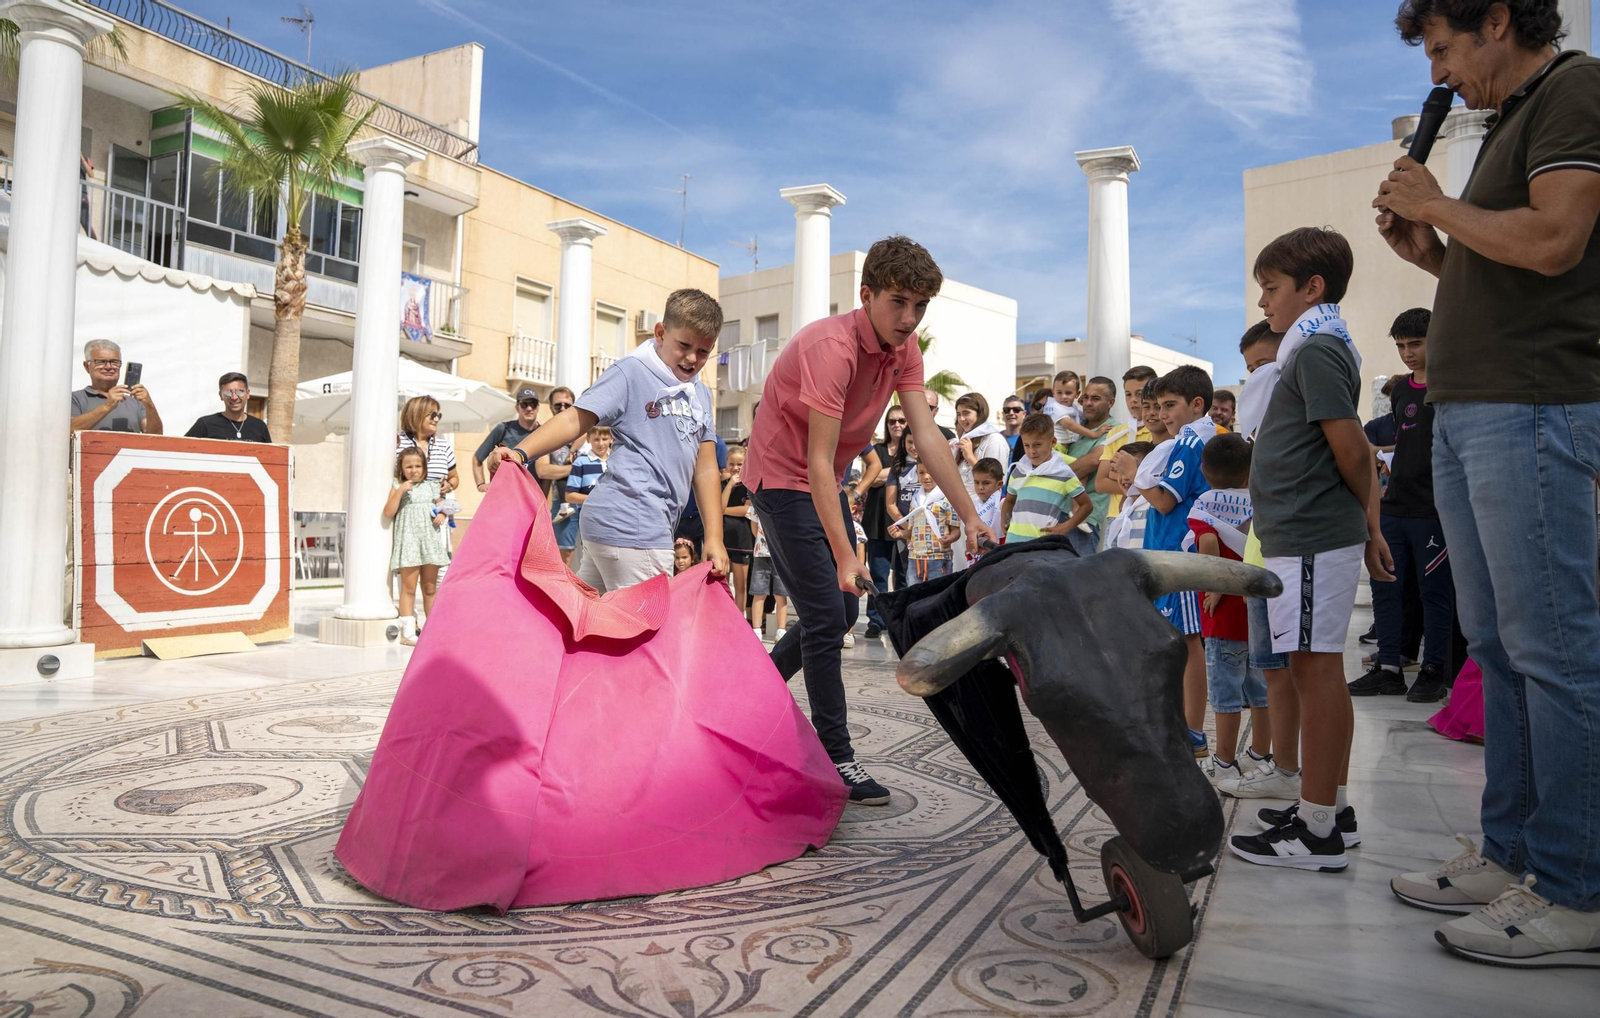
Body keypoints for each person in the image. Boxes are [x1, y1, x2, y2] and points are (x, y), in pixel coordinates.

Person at [1375, 0, 1600, 963]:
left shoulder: (1574, 91)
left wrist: (1437, 206)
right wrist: (1432, 253)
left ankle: (1577, 889)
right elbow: (1508, 268)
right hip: (1475, 412)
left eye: (1443, 49)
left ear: (1498, 18)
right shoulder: (1509, 121)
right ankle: (1511, 855)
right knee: (1501, 648)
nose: (1439, 74)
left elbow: (1555, 243)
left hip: (1532, 404)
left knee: (1556, 649)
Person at [744, 236, 996, 804]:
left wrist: (970, 516)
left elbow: (926, 435)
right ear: (867, 295)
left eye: (920, 306)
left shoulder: (905, 350)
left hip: (824, 479)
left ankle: (752, 693)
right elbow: (814, 460)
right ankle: (838, 757)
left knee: (842, 610)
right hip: (781, 478)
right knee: (826, 618)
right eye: (898, 302)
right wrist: (846, 554)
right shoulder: (831, 347)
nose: (909, 319)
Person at [1227, 226, 1389, 874]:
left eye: (1272, 288)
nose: (1263, 302)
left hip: (1313, 535)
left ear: (1312, 288)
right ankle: (1330, 808)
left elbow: (1353, 449)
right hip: (1303, 536)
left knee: (1315, 672)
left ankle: (1317, 829)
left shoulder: (1317, 348)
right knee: (1313, 670)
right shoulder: (1312, 346)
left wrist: (1370, 527)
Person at [497, 289, 729, 592]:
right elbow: (575, 419)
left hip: (625, 526)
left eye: (703, 351)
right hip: (634, 524)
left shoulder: (699, 393)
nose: (692, 358)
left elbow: (706, 467)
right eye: (684, 345)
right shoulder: (633, 371)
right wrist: (520, 452)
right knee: (647, 622)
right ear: (660, 333)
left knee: (589, 620)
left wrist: (714, 537)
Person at [1217, 320, 1308, 803]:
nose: (1257, 377)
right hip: (1259, 561)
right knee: (1271, 670)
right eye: (1250, 369)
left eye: (1265, 365)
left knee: (1297, 672)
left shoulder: (1300, 424)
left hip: (1287, 560)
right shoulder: (1261, 433)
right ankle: (1280, 763)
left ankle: (1294, 770)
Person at [1348, 308, 1457, 704]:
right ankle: (1389, 669)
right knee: (1386, 588)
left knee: (1434, 594)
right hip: (1395, 507)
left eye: (1415, 344)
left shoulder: (1450, 386)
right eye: (1400, 346)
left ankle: (1434, 670)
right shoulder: (1401, 392)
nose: (1408, 353)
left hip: (1434, 511)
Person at [1134, 365, 1218, 764]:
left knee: (1188, 643)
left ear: (1196, 404)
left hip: (1179, 555)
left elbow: (1166, 501)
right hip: (1168, 553)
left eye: (1170, 405)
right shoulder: (1192, 440)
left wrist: (1137, 476)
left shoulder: (1189, 443)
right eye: (1158, 406)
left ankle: (1193, 731)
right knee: (1174, 642)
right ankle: (1177, 724)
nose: (1162, 414)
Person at [1187, 433, 1272, 782]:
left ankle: (1224, 760)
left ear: (1204, 470)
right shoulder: (1259, 500)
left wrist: (1216, 587)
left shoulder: (1204, 505)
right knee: (1261, 690)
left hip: (1222, 616)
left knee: (1226, 692)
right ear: (1250, 472)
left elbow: (1207, 540)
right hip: (1258, 608)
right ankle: (1261, 752)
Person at [386, 447, 449, 644]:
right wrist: (400, 491)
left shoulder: (432, 486)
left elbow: (443, 507)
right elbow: (388, 512)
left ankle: (433, 631)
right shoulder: (397, 485)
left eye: (418, 466)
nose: (414, 470)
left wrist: (442, 514)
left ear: (424, 467)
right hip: (409, 543)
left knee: (430, 588)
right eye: (409, 466)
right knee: (409, 588)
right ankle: (407, 633)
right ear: (401, 468)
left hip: (429, 542)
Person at [1000, 412, 1092, 546]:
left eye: (1037, 445)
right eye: (1027, 445)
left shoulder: (1064, 473)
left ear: (1053, 442)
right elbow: (1009, 501)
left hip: (1043, 546)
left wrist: (1065, 527)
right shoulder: (1019, 470)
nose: (1032, 451)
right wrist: (1005, 520)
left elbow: (1087, 506)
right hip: (1012, 544)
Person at [860, 408, 906, 640]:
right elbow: (869, 479)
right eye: (892, 421)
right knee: (877, 575)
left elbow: (878, 476)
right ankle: (876, 620)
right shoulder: (877, 450)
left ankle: (899, 619)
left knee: (903, 576)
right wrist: (897, 471)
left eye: (901, 420)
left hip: (903, 522)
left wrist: (881, 473)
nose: (897, 425)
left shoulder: (912, 450)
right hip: (877, 521)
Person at [1061, 375, 1121, 546]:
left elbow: (1093, 461)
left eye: (1095, 399)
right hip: (1059, 509)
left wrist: (1051, 477)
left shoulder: (1115, 430)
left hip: (1085, 518)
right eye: (1085, 397)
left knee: (1079, 564)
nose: (1087, 403)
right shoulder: (1076, 425)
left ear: (1110, 402)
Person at [70, 340, 162, 434]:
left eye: (114, 362)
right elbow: (69, 430)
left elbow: (156, 437)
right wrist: (107, 406)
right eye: (101, 362)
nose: (108, 367)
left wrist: (150, 405)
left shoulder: (136, 402)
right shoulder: (74, 399)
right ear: (87, 366)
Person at [896, 460, 959, 582]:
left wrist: (950, 538)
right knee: (914, 592)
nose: (926, 477)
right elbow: (911, 531)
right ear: (916, 473)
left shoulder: (947, 498)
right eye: (921, 472)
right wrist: (900, 533)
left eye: (931, 472)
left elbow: (955, 530)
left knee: (938, 592)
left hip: (938, 558)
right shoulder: (915, 499)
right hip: (915, 558)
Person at [474, 388, 541, 493]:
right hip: (506, 493)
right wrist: (481, 484)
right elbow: (477, 458)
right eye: (524, 404)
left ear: (538, 407)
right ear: (517, 407)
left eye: (533, 404)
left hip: (534, 494)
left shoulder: (543, 433)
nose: (529, 408)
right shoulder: (504, 429)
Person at [561, 425, 610, 558]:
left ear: (611, 439)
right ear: (588, 440)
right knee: (592, 558)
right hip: (591, 521)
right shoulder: (581, 462)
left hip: (615, 520)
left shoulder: (616, 461)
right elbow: (570, 496)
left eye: (604, 439)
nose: (600, 443)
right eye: (596, 439)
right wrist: (597, 500)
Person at [884, 428, 920, 595]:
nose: (914, 447)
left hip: (929, 532)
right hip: (904, 532)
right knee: (903, 575)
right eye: (910, 442)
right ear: (903, 442)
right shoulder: (897, 467)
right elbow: (891, 504)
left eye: (917, 441)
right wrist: (908, 527)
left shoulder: (933, 465)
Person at [1102, 441, 1156, 550]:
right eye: (1120, 472)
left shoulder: (1153, 506)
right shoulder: (1126, 508)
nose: (1125, 477)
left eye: (1132, 469)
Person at [186, 372, 271, 442]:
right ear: (221, 395)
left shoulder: (259, 426)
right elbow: (182, 451)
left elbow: (270, 455)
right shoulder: (205, 424)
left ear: (247, 394)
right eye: (227, 393)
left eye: (240, 392)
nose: (234, 397)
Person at [721, 444, 754, 620]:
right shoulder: (721, 484)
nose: (735, 468)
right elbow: (717, 506)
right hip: (723, 540)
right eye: (732, 464)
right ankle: (723, 616)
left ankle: (739, 618)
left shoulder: (750, 486)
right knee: (722, 584)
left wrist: (723, 510)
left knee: (741, 585)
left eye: (740, 464)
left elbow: (746, 510)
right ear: (726, 463)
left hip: (743, 540)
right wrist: (730, 485)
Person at [747, 504, 788, 643]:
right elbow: (754, 527)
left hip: (781, 554)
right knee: (759, 592)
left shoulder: (785, 502)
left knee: (781, 593)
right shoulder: (756, 503)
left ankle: (781, 629)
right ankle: (756, 629)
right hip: (761, 554)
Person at [968, 457, 1005, 563]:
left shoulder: (1003, 503)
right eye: (976, 482)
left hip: (999, 552)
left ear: (999, 484)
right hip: (978, 555)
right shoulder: (972, 505)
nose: (980, 487)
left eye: (986, 483)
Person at [999, 394, 1028, 466]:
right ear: (1003, 414)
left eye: (1016, 410)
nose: (1011, 413)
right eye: (1007, 410)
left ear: (1024, 414)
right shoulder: (996, 438)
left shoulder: (1029, 438)